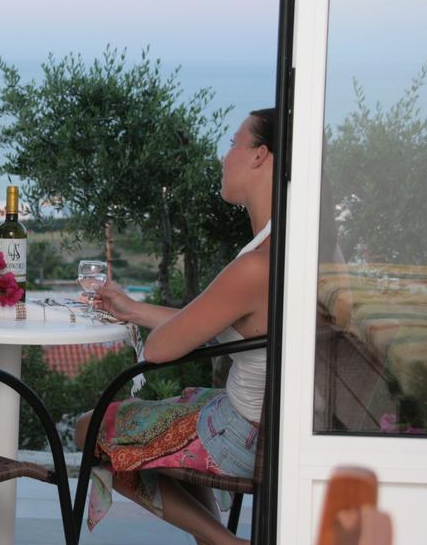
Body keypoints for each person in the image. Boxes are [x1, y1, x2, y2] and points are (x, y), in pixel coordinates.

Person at [75, 108, 276, 545]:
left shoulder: (256, 266)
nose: (224, 156)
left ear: (260, 156)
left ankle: (227, 544)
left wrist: (154, 328)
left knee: (91, 431)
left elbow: (162, 349)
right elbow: (210, 324)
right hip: (267, 425)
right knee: (167, 421)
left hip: (242, 436)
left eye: (233, 143)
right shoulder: (289, 244)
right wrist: (133, 310)